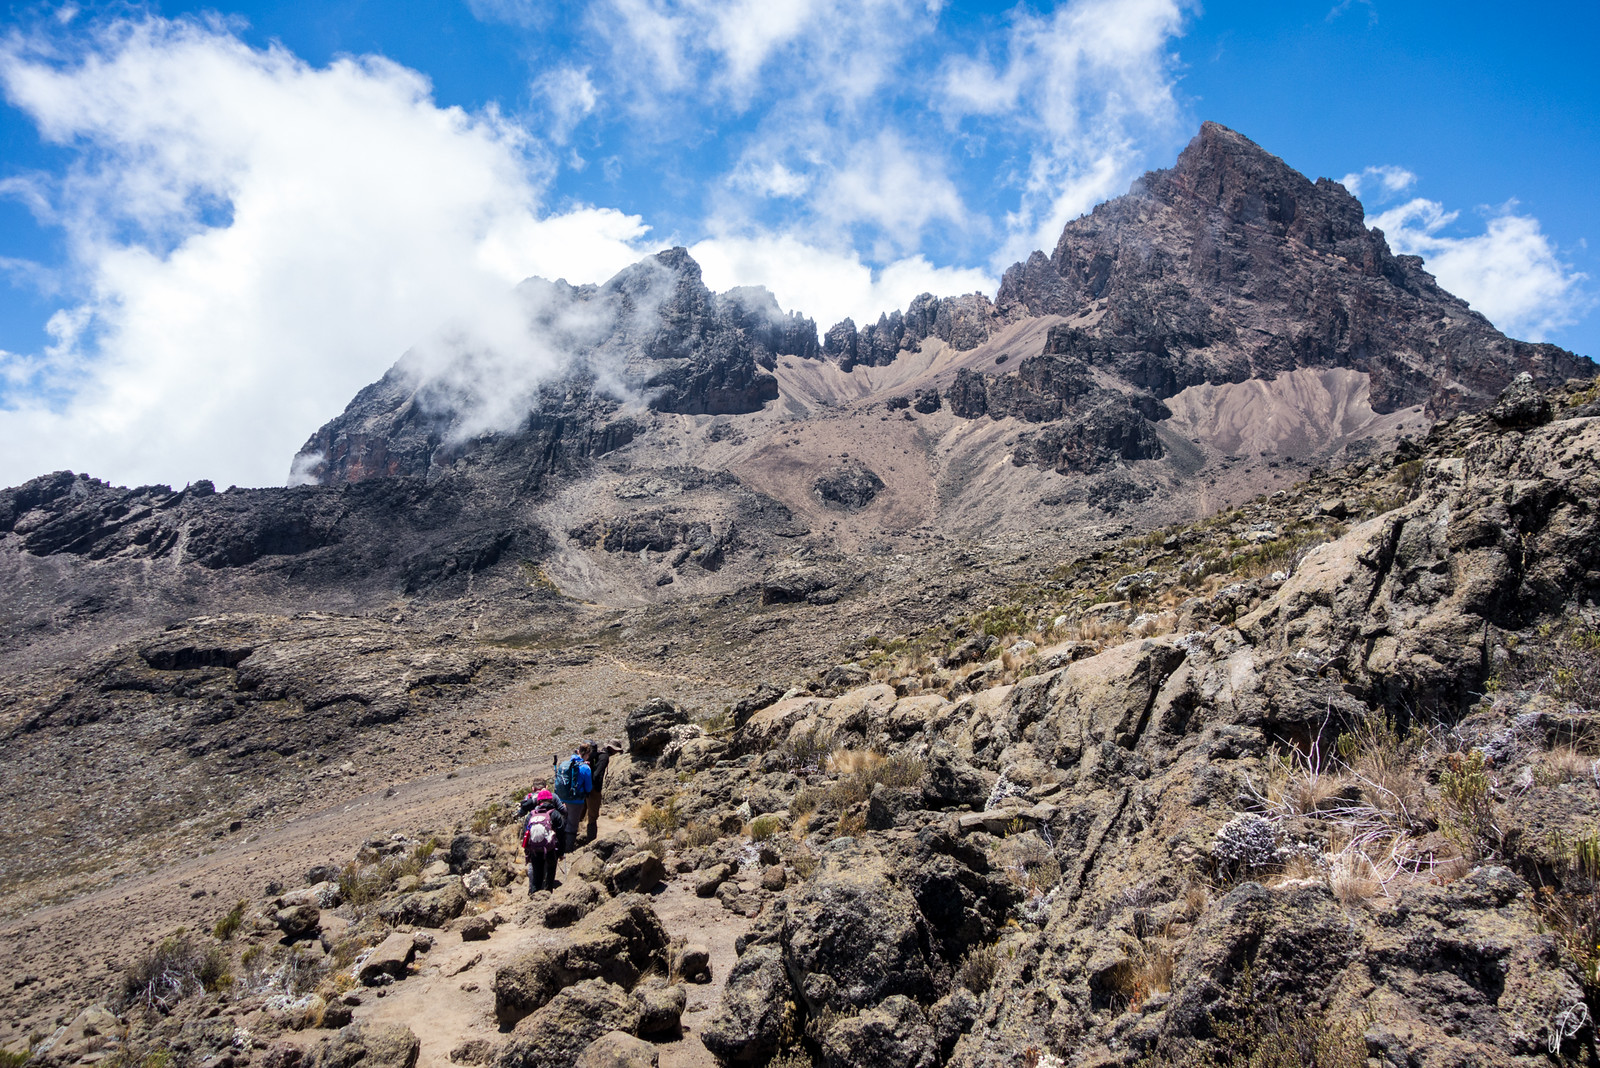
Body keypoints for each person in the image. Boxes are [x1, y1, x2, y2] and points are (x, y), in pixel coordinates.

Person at [518, 789, 566, 894]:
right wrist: (561, 853)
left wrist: (527, 851)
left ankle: (534, 896)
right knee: (549, 875)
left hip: (534, 850)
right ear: (551, 800)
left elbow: (525, 834)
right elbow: (561, 835)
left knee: (537, 876)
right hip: (551, 850)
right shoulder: (555, 814)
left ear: (538, 801)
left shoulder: (531, 814)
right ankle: (547, 895)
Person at [551, 746, 592, 853]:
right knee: (572, 825)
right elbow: (588, 787)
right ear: (586, 754)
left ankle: (557, 846)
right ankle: (567, 850)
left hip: (561, 798)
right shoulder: (585, 768)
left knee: (562, 823)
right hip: (576, 800)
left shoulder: (564, 764)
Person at [583, 740, 620, 844]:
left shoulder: (598, 754)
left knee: (581, 813)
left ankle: (572, 838)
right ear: (612, 749)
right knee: (593, 816)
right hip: (593, 789)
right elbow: (597, 774)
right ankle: (591, 841)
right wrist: (594, 787)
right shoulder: (604, 757)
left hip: (585, 787)